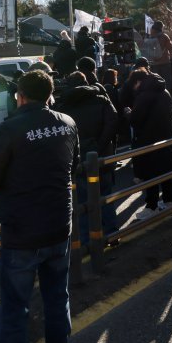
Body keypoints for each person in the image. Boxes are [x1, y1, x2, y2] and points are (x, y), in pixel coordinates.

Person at [0, 70, 79, 343]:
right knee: (57, 301)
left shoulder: (10, 129)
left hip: (21, 232)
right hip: (59, 225)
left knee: (13, 312)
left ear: (19, 96)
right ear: (50, 95)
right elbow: (70, 165)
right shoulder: (67, 123)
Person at [58, 70, 119, 240]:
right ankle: (112, 233)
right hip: (101, 156)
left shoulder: (64, 106)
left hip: (78, 159)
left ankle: (86, 240)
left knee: (82, 201)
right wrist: (100, 145)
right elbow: (113, 121)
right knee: (105, 194)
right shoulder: (101, 98)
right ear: (86, 81)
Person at [130, 67, 172, 220]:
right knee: (166, 172)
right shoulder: (165, 92)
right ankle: (169, 201)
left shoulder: (144, 96)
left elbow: (136, 119)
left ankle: (152, 206)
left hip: (149, 140)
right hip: (167, 137)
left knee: (151, 175)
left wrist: (128, 114)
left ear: (138, 82)